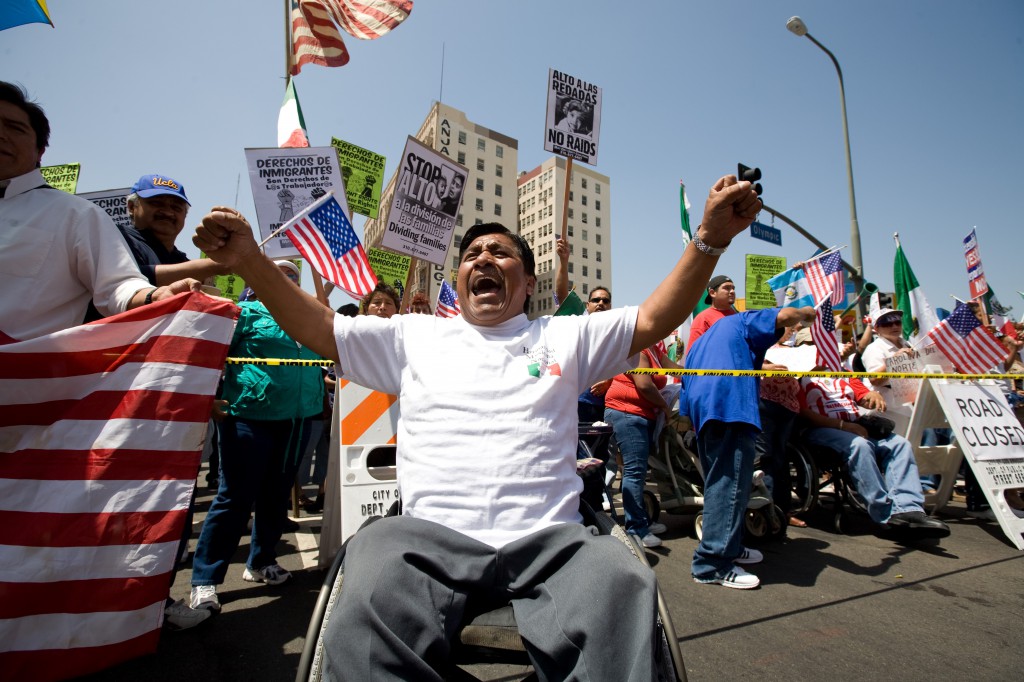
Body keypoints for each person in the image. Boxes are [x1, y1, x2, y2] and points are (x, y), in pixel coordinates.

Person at [193, 172, 762, 679]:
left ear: (528, 279)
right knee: (364, 588)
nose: (483, 258)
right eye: (472, 253)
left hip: (554, 542)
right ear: (460, 278)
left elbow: (657, 316)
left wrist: (709, 239)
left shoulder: (563, 335)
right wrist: (250, 262)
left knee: (623, 583)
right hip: (424, 539)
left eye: (500, 252)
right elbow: (320, 328)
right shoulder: (415, 335)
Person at [0, 82, 196, 343]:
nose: (167, 212)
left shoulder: (74, 214)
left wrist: (153, 296)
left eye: (14, 128)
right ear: (131, 207)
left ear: (40, 151)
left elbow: (120, 284)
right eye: (157, 203)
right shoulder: (122, 234)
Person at [189, 261, 325, 613]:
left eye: (293, 276)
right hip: (248, 418)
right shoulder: (245, 313)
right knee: (234, 498)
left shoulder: (309, 315)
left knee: (276, 496)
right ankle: (205, 579)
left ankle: (261, 562)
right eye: (280, 275)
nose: (288, 280)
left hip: (296, 420)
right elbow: (209, 353)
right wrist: (208, 397)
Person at [683, 306, 817, 589]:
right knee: (730, 485)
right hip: (731, 408)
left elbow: (686, 384)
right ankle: (712, 564)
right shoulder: (742, 321)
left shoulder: (704, 343)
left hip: (706, 412)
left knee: (721, 484)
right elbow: (785, 316)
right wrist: (806, 312)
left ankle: (727, 547)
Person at [799, 374, 950, 538]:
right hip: (818, 429)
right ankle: (885, 514)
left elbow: (863, 395)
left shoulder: (842, 374)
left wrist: (872, 396)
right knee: (859, 445)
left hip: (855, 425)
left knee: (900, 444)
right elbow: (802, 412)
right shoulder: (799, 376)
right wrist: (843, 425)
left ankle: (908, 509)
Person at [604, 344, 673, 547]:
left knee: (637, 471)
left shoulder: (655, 349)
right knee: (634, 471)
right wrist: (663, 405)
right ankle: (636, 530)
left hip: (637, 414)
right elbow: (644, 384)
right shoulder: (640, 347)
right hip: (627, 413)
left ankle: (640, 521)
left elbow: (675, 367)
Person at [687, 274, 736, 351]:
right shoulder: (703, 319)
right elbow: (693, 352)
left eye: (733, 288)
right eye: (727, 288)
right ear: (712, 293)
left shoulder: (739, 317)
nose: (732, 291)